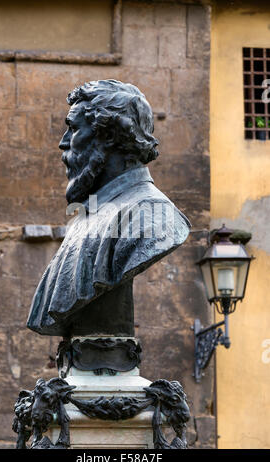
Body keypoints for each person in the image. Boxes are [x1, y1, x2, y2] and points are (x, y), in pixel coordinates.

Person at [27, 80, 191, 337]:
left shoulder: (152, 215)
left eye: (73, 129)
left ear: (110, 136)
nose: (63, 142)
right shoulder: (87, 214)